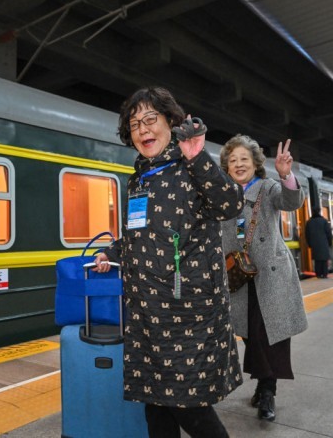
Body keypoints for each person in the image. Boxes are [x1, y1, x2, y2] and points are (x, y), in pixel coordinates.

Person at [93, 86, 244, 438]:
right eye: (134, 124)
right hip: (146, 312)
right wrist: (111, 253)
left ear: (170, 122)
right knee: (155, 405)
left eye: (150, 119)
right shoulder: (139, 178)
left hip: (188, 310)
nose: (143, 129)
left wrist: (198, 157)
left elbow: (231, 204)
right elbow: (138, 233)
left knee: (189, 407)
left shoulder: (190, 165)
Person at [219, 134, 308, 422]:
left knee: (269, 333)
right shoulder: (223, 194)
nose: (238, 164)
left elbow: (291, 202)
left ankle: (268, 391)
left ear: (255, 163)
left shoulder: (268, 187)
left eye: (244, 159)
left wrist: (286, 175)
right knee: (249, 333)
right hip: (239, 276)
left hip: (270, 274)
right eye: (233, 160)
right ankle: (263, 383)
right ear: (227, 166)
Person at [305, 207, 333, 278]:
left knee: (317, 260)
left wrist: (309, 244)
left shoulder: (309, 222)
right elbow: (329, 233)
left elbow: (307, 235)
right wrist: (330, 243)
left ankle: (318, 274)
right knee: (324, 260)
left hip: (315, 245)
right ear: (319, 212)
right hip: (324, 243)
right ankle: (324, 274)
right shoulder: (324, 221)